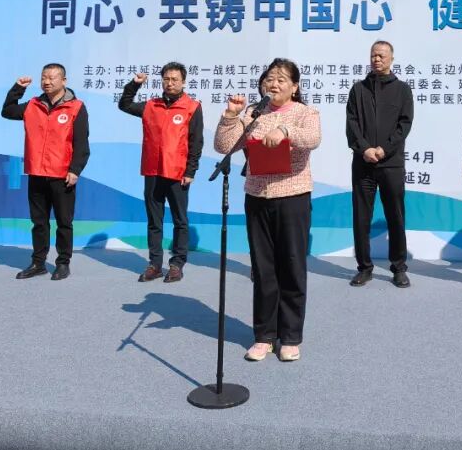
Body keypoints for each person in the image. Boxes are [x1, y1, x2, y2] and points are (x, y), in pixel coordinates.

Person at [215, 58, 321, 363]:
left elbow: (313, 138)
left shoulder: (305, 113)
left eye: (281, 79)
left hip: (293, 197)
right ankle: (264, 336)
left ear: (294, 87)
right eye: (269, 79)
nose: (273, 84)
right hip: (257, 197)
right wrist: (230, 117)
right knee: (262, 269)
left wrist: (285, 129)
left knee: (292, 266)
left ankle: (290, 336)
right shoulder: (254, 113)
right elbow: (224, 146)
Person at [1, 63, 89, 281]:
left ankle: (63, 263)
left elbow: (81, 144)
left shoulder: (76, 107)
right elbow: (7, 111)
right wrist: (17, 89)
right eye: (44, 77)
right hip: (37, 173)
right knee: (39, 222)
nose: (47, 82)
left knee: (64, 223)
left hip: (62, 175)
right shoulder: (32, 105)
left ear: (64, 81)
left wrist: (75, 170)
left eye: (52, 77)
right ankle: (38, 263)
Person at [119, 62, 203, 283]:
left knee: (180, 220)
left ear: (183, 82)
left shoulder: (192, 107)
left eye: (175, 79)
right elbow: (125, 104)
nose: (170, 83)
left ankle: (177, 264)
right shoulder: (151, 106)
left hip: (177, 173)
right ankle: (155, 265)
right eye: (166, 79)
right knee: (154, 221)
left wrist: (190, 170)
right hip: (152, 171)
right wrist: (134, 84)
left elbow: (196, 142)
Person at [345, 40, 414, 288]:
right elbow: (352, 123)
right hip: (363, 163)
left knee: (395, 216)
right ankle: (364, 267)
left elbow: (404, 125)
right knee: (361, 217)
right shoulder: (358, 89)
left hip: (391, 164)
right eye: (374, 55)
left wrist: (384, 149)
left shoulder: (402, 90)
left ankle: (399, 268)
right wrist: (364, 149)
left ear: (391, 59)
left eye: (382, 56)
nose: (377, 59)